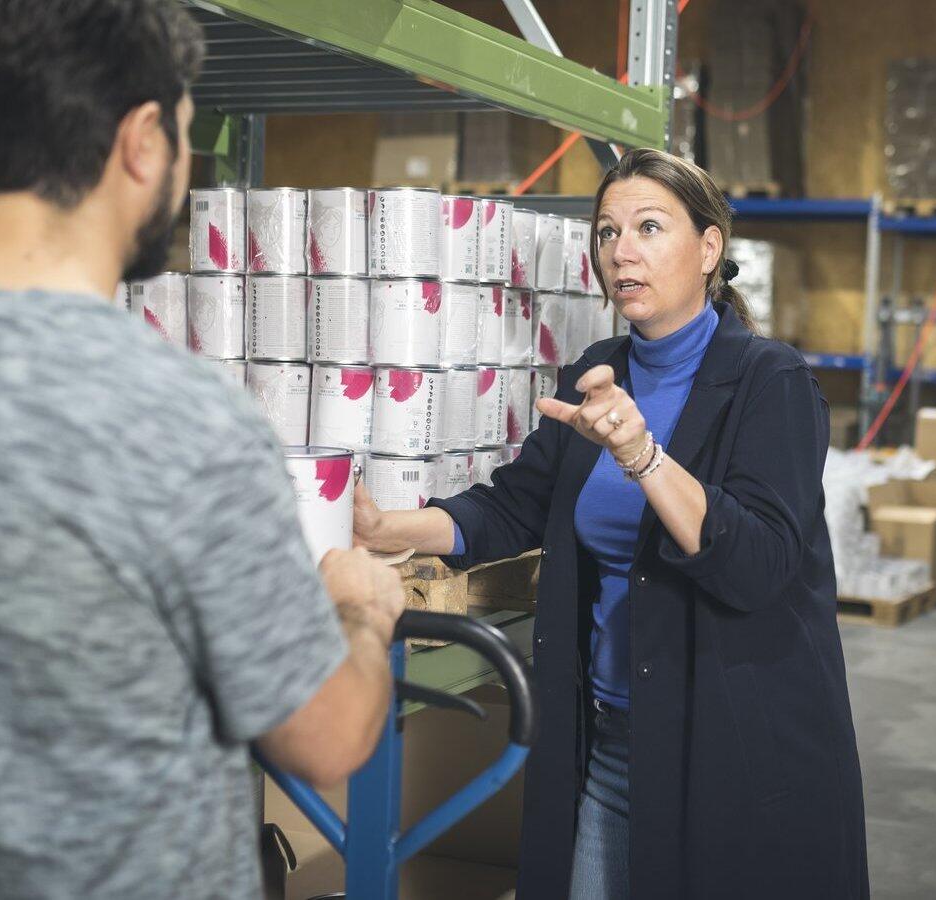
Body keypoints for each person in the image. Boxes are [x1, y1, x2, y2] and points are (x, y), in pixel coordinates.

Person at [0, 2, 406, 897]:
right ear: (142, 143)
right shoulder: (184, 421)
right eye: (186, 136)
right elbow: (325, 738)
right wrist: (361, 610)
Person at [354, 148, 868, 899]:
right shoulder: (600, 370)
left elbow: (757, 562)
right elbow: (514, 506)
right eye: (607, 232)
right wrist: (383, 529)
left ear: (710, 248)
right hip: (612, 739)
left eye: (649, 227)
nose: (622, 251)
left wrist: (642, 454)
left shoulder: (771, 380)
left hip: (733, 749)